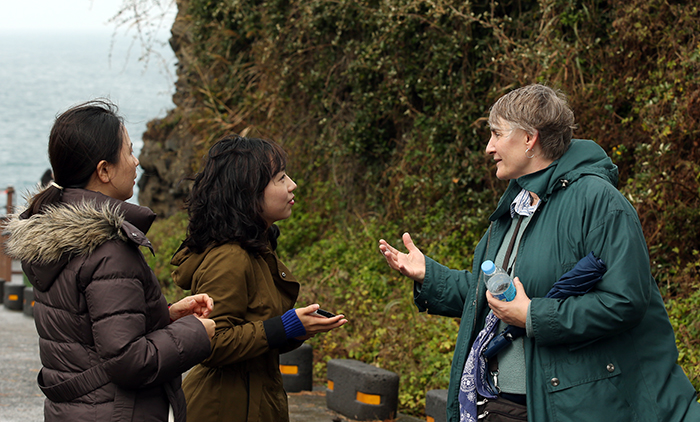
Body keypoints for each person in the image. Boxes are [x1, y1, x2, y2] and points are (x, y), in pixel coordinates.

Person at [379, 84, 700, 422]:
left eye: (496, 134)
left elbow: (625, 301)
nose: (489, 148)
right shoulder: (518, 204)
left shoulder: (599, 202)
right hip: (501, 402)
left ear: (529, 139)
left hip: (562, 408)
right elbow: (496, 299)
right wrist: (428, 274)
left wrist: (533, 316)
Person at [3, 99, 216, 422]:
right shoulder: (107, 248)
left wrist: (166, 315)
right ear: (103, 170)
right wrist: (197, 332)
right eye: (129, 152)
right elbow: (129, 360)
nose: (137, 161)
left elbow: (88, 330)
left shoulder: (57, 235)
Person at [170, 134, 347, 422]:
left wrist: (296, 330)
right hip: (221, 408)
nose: (293, 184)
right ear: (247, 192)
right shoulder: (230, 257)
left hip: (254, 401)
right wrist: (285, 326)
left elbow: (257, 330)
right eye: (280, 178)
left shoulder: (257, 249)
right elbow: (212, 344)